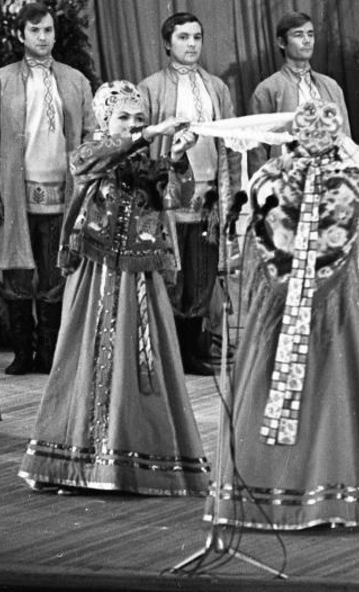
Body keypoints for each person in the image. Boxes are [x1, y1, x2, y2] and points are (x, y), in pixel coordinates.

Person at [204, 99, 359, 529]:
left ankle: (275, 487)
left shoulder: (275, 176)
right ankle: (335, 492)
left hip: (287, 303)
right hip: (329, 303)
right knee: (335, 380)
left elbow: (260, 241)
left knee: (288, 380)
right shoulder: (347, 178)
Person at [17, 80, 210, 496]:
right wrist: (144, 136)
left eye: (139, 118)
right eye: (122, 117)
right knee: (86, 355)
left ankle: (137, 462)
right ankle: (76, 462)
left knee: (140, 365)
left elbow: (178, 195)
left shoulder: (147, 165)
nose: (132, 124)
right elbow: (85, 164)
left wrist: (177, 159)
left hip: (140, 277)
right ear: (105, 119)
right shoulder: (94, 152)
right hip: (97, 272)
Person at [0, 1, 96, 375]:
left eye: (48, 30)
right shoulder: (1, 80)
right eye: (35, 30)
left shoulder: (75, 80)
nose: (43, 36)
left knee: (55, 276)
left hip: (63, 194)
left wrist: (86, 188)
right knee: (18, 275)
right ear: (20, 35)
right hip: (15, 194)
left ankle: (50, 353)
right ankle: (23, 352)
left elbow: (90, 137)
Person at [138, 12, 241, 375]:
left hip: (209, 196)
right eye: (183, 37)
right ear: (168, 43)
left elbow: (231, 145)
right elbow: (143, 145)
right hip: (170, 197)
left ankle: (193, 349)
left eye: (196, 37)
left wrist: (231, 197)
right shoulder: (151, 87)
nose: (191, 44)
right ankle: (173, 352)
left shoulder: (217, 87)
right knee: (173, 275)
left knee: (202, 274)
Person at [248, 11, 351, 176]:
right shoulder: (267, 90)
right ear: (282, 42)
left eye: (310, 34)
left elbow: (346, 139)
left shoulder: (331, 87)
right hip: (288, 183)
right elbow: (257, 152)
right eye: (298, 34)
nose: (307, 40)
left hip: (332, 180)